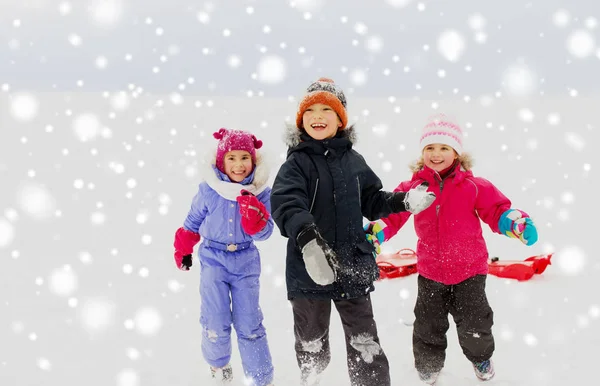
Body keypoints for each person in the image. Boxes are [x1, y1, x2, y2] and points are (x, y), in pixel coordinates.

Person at [270, 77, 436, 386]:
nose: (317, 117)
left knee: (365, 342)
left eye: (326, 110)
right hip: (309, 270)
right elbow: (287, 204)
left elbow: (373, 201)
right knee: (311, 339)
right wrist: (308, 239)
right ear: (300, 120)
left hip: (352, 265)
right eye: (310, 111)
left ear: (341, 119)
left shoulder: (354, 161)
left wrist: (403, 201)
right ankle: (313, 374)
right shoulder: (296, 164)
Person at [364, 114, 539, 384]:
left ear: (456, 153)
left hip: (470, 271)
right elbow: (393, 214)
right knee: (427, 325)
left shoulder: (474, 187)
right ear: (422, 152)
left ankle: (481, 358)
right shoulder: (414, 188)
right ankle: (429, 365)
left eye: (444, 148)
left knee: (475, 324)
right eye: (430, 148)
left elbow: (497, 211)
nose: (436, 154)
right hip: (431, 271)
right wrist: (377, 232)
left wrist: (515, 224)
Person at [173, 128, 275, 386]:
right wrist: (184, 248)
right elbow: (193, 220)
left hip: (246, 260)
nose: (238, 165)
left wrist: (257, 222)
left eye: (244, 158)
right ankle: (219, 366)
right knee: (215, 320)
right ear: (221, 161)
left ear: (253, 161)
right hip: (213, 258)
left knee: (249, 323)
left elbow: (266, 232)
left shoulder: (261, 192)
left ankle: (261, 379)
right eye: (232, 158)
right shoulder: (209, 190)